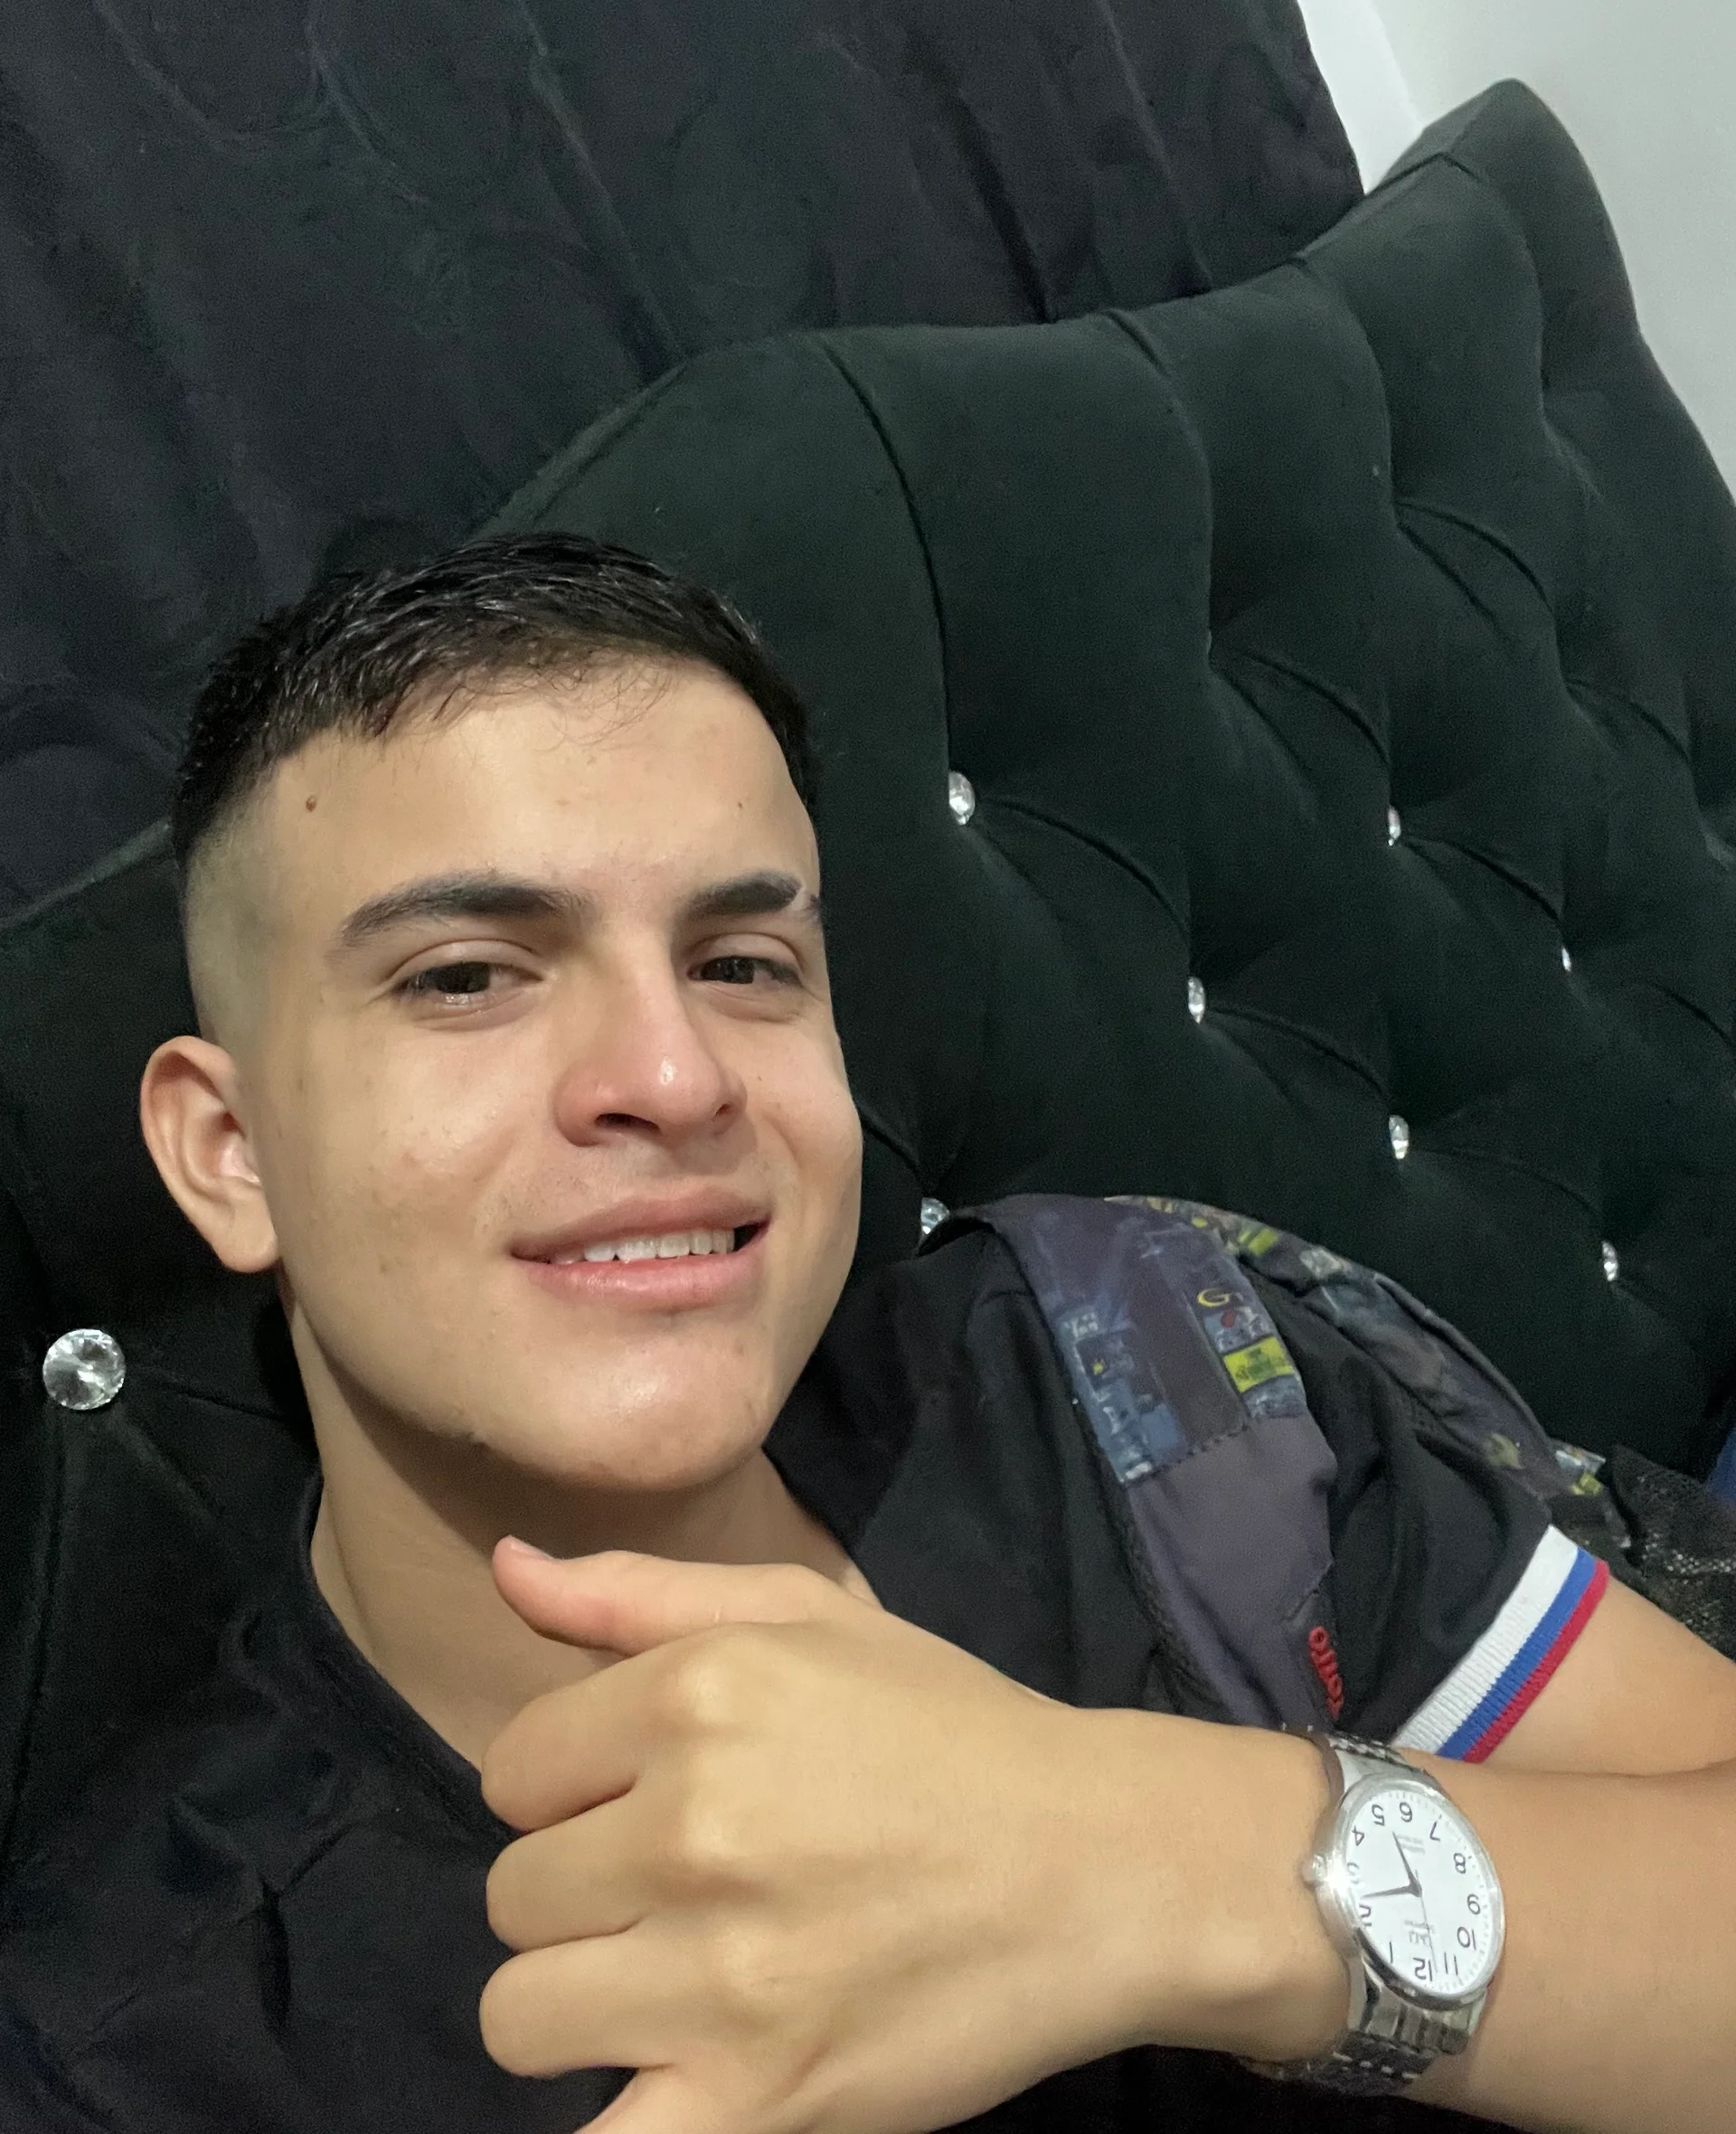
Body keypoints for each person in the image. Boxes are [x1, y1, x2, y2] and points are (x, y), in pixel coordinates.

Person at [1, 534, 1732, 2134]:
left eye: (743, 962)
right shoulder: (129, 2049)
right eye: (465, 975)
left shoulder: (1142, 1378)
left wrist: (1163, 1866)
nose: (674, 1076)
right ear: (230, 1154)